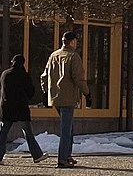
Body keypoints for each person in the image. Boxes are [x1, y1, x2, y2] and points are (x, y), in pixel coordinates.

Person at [43, 31, 91, 168]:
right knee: (66, 129)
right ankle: (62, 158)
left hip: (55, 98)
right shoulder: (74, 57)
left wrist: (46, 92)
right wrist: (87, 93)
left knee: (68, 127)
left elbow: (44, 76)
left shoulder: (53, 55)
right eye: (76, 41)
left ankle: (67, 155)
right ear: (72, 42)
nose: (76, 43)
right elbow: (79, 78)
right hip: (68, 97)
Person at [0, 55, 45, 165]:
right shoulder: (24, 75)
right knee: (28, 132)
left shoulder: (5, 74)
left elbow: (0, 89)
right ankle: (37, 155)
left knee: (2, 133)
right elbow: (31, 91)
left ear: (12, 62)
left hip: (6, 108)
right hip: (21, 109)